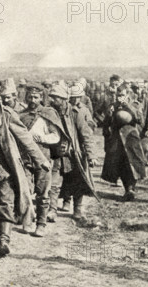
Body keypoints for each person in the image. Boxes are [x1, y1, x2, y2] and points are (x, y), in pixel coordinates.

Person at [0, 83, 49, 255]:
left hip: (4, 165)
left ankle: (4, 239)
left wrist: (40, 159)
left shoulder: (7, 114)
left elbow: (25, 137)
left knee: (5, 199)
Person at [48, 82, 98, 221]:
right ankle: (52, 210)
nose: (52, 100)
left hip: (74, 154)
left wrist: (91, 155)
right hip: (56, 154)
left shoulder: (77, 113)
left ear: (64, 98)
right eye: (51, 97)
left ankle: (77, 210)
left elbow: (86, 135)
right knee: (53, 183)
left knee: (78, 181)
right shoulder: (50, 113)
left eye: (55, 98)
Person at [19, 83, 63, 237]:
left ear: (41, 98)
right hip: (25, 157)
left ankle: (41, 224)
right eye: (30, 96)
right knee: (25, 190)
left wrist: (42, 138)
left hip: (43, 156)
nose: (33, 100)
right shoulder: (21, 115)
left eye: (36, 97)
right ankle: (27, 220)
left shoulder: (48, 114)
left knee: (43, 191)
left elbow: (56, 136)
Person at [101, 86, 146, 201]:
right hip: (117, 138)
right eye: (119, 95)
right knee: (120, 164)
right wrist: (110, 115)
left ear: (128, 95)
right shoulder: (112, 106)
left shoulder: (135, 105)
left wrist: (128, 107)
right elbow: (105, 124)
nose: (120, 97)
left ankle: (132, 188)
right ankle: (127, 189)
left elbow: (140, 120)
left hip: (131, 137)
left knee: (133, 162)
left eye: (122, 95)